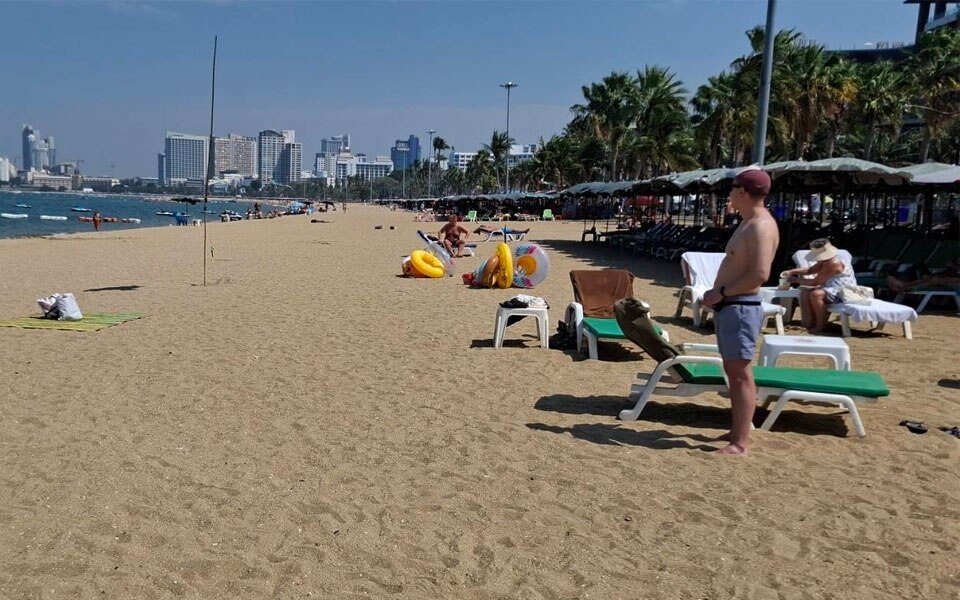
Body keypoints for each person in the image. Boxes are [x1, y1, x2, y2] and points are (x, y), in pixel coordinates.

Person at [700, 169, 779, 456]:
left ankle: (740, 443)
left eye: (733, 188)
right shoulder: (749, 223)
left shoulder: (760, 225)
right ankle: (737, 431)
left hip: (741, 306)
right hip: (732, 306)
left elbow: (760, 274)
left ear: (743, 192)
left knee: (741, 374)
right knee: (734, 373)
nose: (730, 193)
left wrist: (720, 293)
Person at [782, 239, 856, 333]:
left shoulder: (834, 263)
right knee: (805, 293)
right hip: (831, 288)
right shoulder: (825, 261)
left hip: (843, 291)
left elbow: (815, 282)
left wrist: (796, 280)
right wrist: (792, 271)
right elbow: (810, 270)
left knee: (816, 294)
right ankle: (808, 323)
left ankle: (820, 324)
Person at [887, 258, 959, 294]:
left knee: (935, 279)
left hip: (954, 280)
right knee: (932, 278)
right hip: (948, 276)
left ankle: (907, 286)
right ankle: (906, 285)